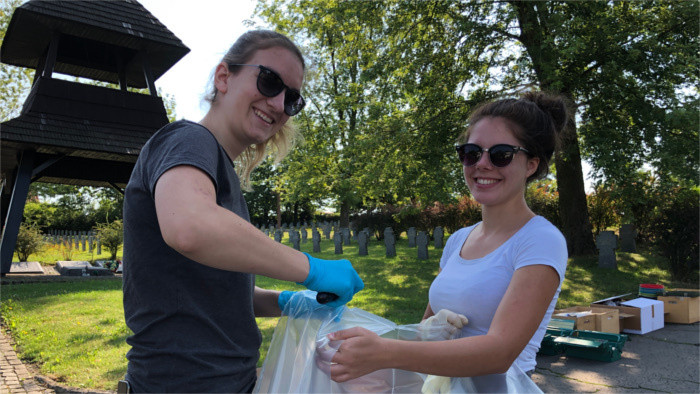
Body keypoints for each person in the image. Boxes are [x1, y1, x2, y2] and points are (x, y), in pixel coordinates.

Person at [121, 30, 364, 393]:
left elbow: (213, 293)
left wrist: (287, 301)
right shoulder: (187, 140)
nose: (280, 104)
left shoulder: (220, 174)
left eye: (293, 99)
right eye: (269, 81)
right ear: (223, 77)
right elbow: (189, 227)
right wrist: (310, 269)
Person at [320, 92, 569, 390]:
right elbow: (423, 333)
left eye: (501, 154)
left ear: (531, 164)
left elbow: (499, 354)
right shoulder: (460, 240)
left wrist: (385, 353)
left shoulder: (540, 240)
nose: (482, 164)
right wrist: (361, 343)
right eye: (471, 152)